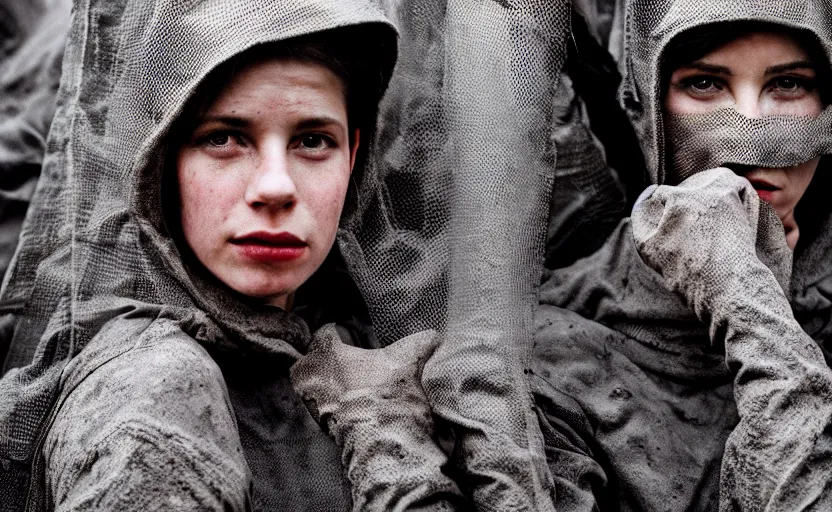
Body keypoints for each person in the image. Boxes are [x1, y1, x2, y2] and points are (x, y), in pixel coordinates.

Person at [0, 0, 476, 509]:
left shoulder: (383, 349)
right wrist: (395, 460)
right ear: (160, 163)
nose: (275, 187)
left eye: (313, 140)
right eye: (223, 138)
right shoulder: (153, 394)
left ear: (353, 155)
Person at [532, 0, 832, 509]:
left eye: (788, 84)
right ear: (645, 108)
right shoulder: (552, 353)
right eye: (705, 83)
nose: (749, 132)